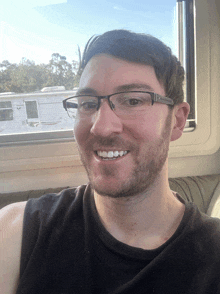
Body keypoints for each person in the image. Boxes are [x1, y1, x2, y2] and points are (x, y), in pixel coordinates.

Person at [1, 29, 220, 294]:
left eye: (132, 100)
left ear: (177, 121)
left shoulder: (212, 253)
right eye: (87, 103)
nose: (102, 127)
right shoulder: (17, 232)